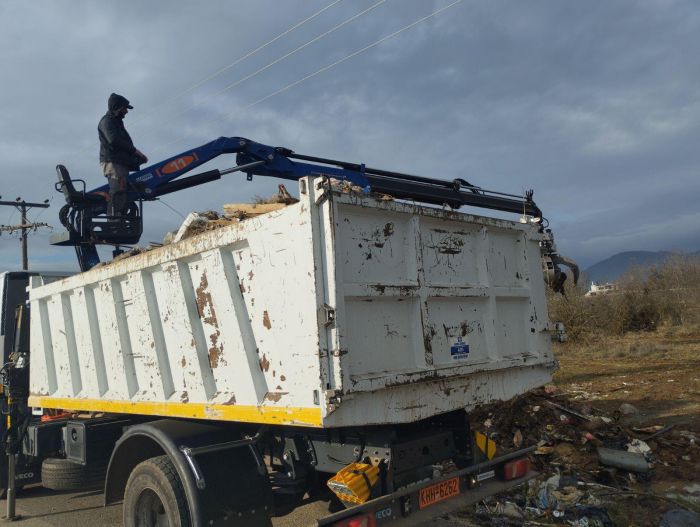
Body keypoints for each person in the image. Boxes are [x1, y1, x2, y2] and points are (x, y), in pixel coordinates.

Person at [98, 93, 148, 216]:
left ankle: (117, 220)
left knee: (121, 192)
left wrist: (135, 159)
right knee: (118, 192)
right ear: (117, 107)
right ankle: (114, 224)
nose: (126, 111)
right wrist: (135, 151)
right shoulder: (107, 121)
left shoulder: (116, 122)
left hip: (119, 163)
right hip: (113, 163)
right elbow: (113, 140)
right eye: (124, 108)